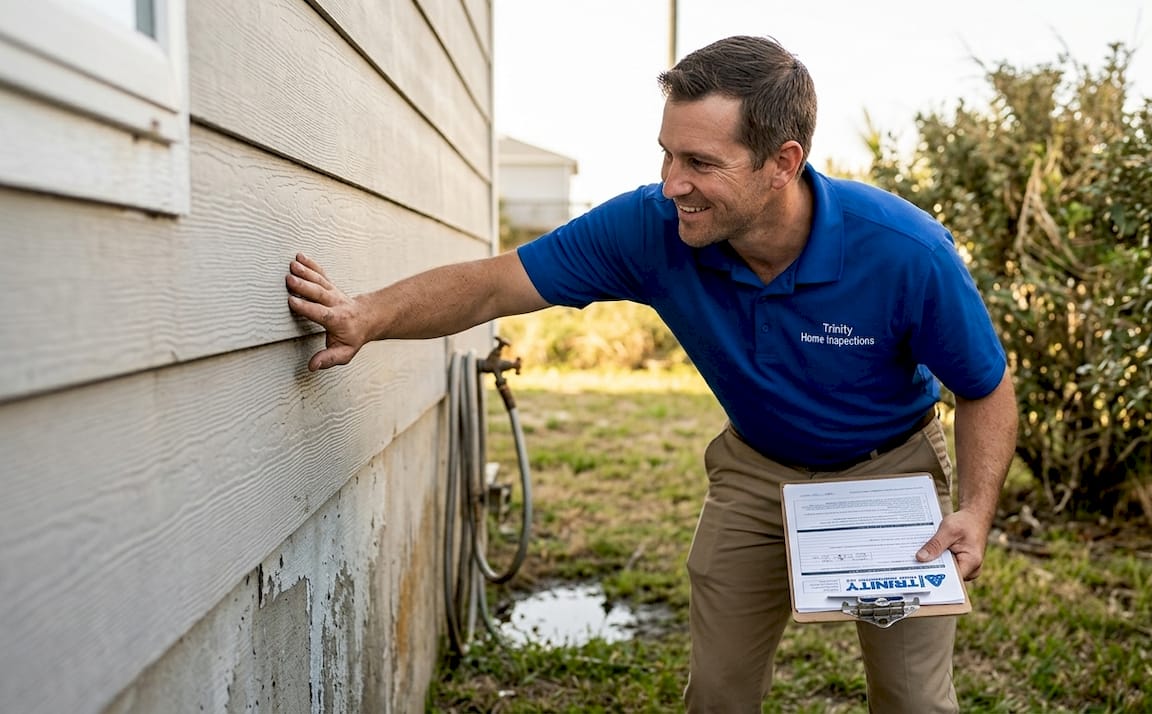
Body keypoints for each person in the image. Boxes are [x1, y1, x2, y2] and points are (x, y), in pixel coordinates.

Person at [286, 35, 1017, 714]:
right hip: (758, 469)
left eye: (701, 164)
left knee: (913, 699)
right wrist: (367, 315)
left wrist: (976, 514)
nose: (672, 184)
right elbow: (494, 284)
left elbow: (984, 386)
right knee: (718, 695)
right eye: (667, 155)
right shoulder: (652, 229)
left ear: (783, 164)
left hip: (888, 476)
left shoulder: (903, 252)